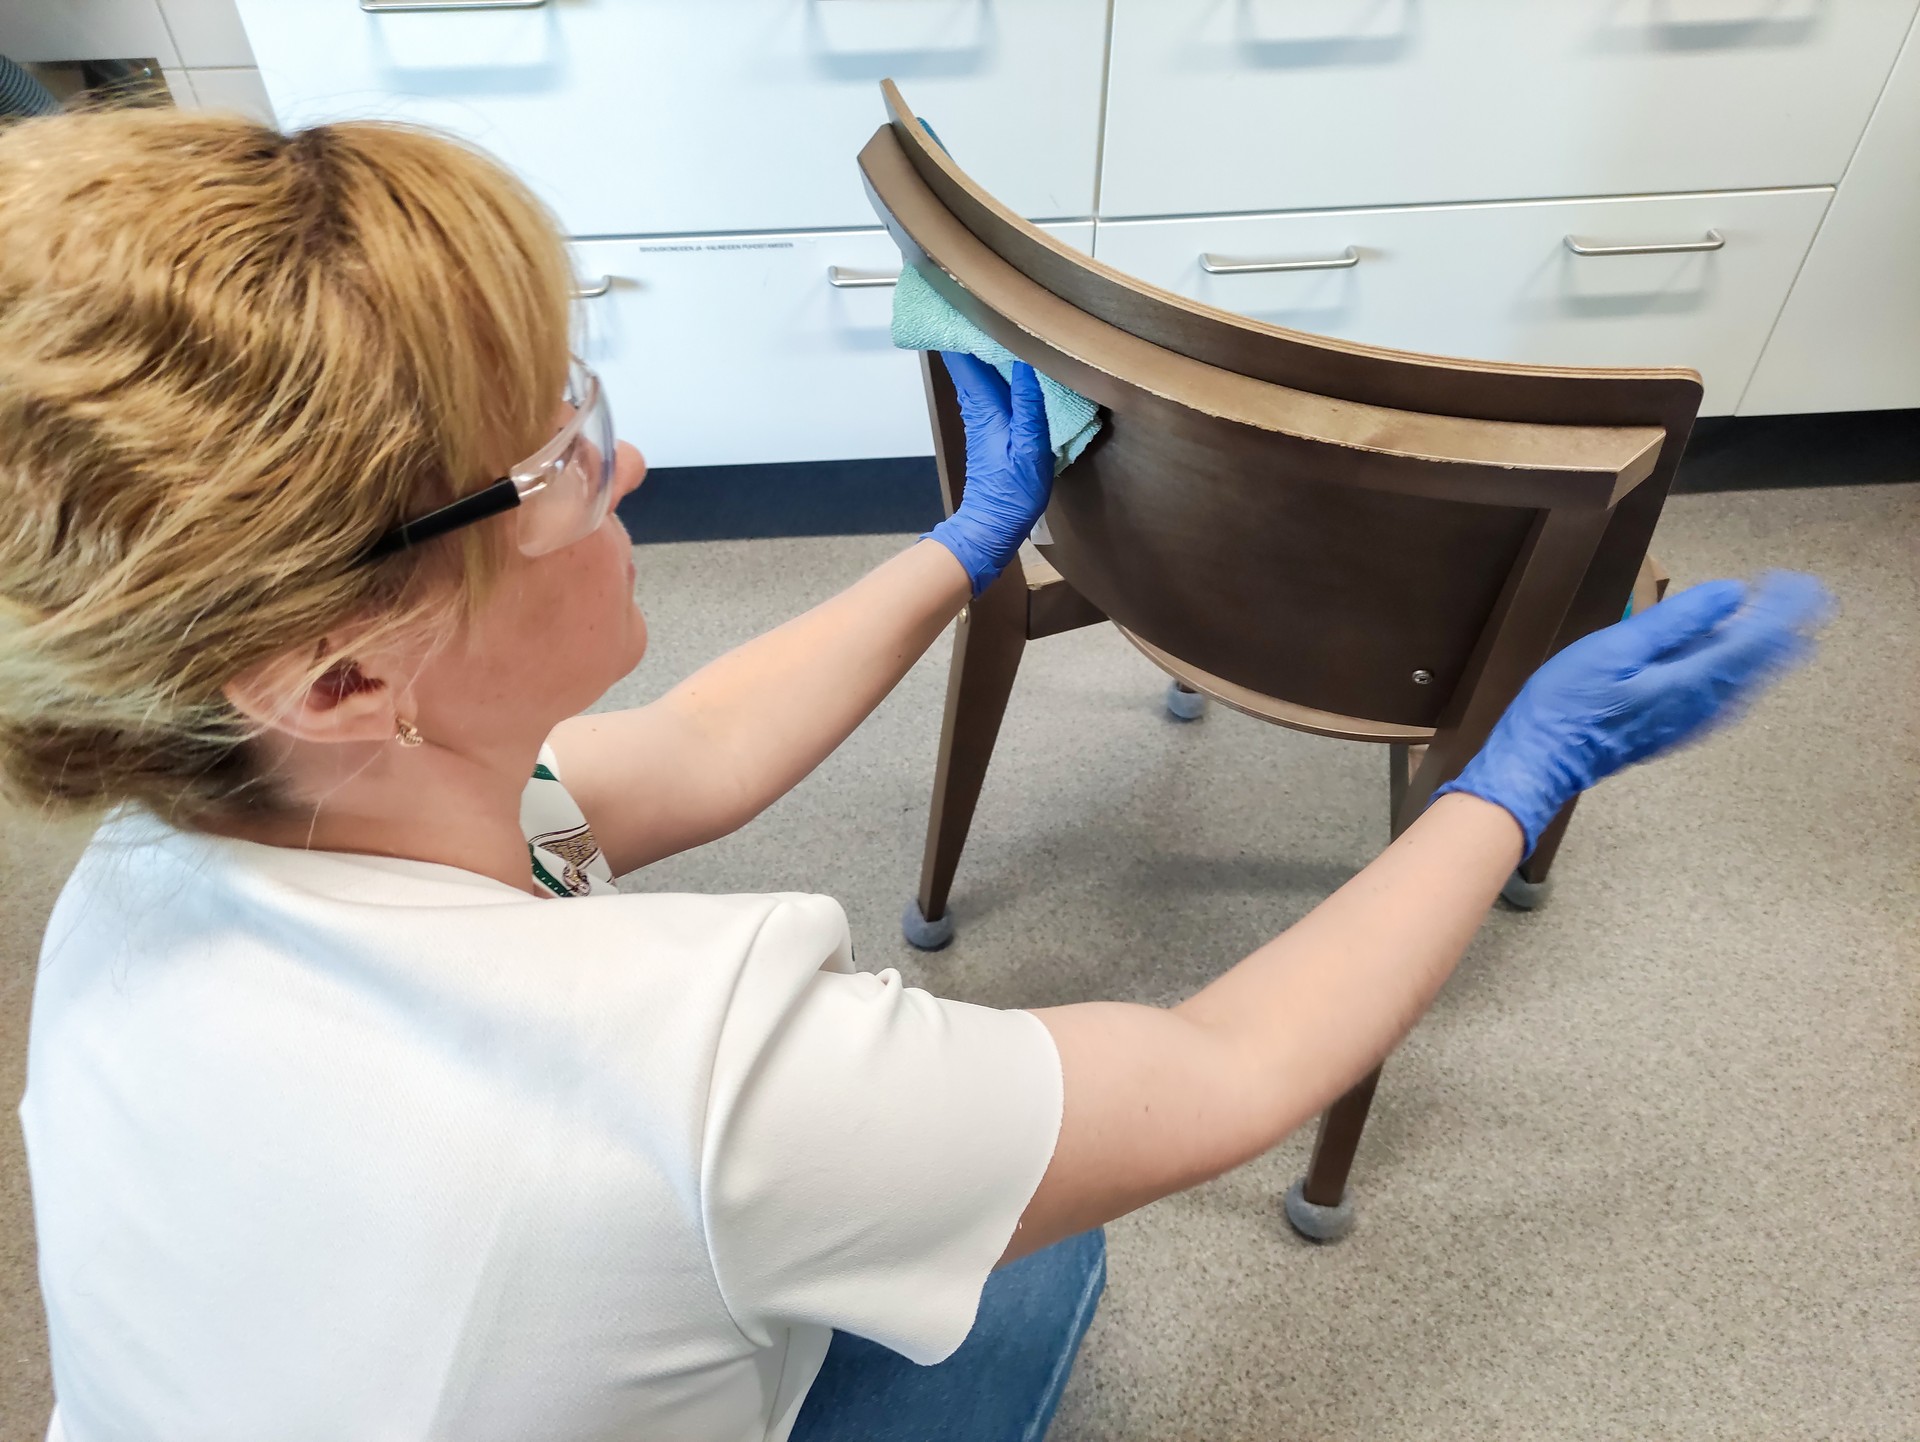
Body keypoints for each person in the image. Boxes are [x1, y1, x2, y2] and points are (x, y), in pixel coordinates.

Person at [0, 109, 1825, 1442]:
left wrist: (971, 540)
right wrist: (1517, 769)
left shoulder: (179, 833)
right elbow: (1225, 1067)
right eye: (560, 454)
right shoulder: (709, 1081)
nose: (628, 472)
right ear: (342, 671)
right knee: (1034, 1271)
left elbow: (698, 750)